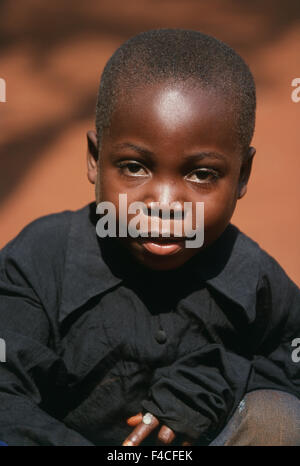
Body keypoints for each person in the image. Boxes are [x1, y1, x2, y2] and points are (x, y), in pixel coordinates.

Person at [0, 29, 299, 446]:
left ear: (242, 176)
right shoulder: (40, 262)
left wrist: (228, 374)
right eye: (134, 167)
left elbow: (291, 356)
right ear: (94, 159)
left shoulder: (252, 278)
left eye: (201, 174)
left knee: (278, 419)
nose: (163, 203)